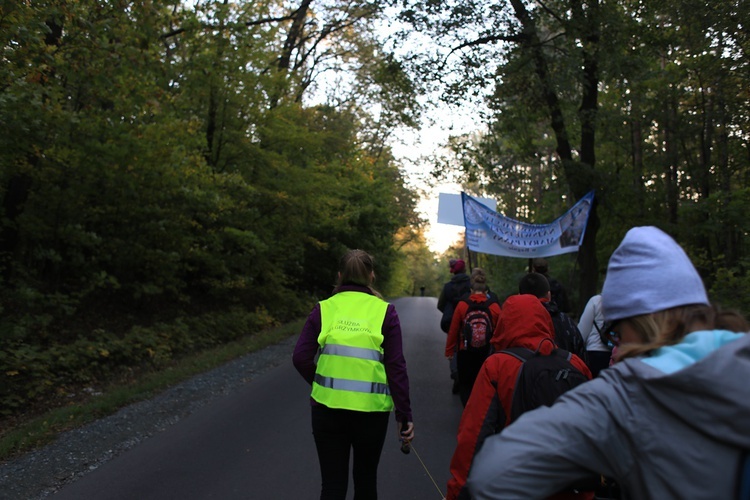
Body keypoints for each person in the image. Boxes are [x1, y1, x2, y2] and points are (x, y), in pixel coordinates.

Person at [467, 226, 750, 499]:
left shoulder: (628, 394)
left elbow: (491, 474)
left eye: (614, 333)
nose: (615, 343)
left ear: (638, 321)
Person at [292, 249, 414, 500]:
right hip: (371, 413)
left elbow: (300, 358)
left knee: (333, 486)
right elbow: (396, 367)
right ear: (371, 276)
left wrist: (321, 382)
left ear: (339, 276)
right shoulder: (385, 312)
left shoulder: (324, 309)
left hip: (327, 410)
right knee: (366, 481)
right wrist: (404, 415)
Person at [446, 293, 592, 499]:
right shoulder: (575, 363)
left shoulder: (497, 366)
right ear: (545, 321)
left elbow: (473, 436)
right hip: (570, 485)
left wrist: (457, 492)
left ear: (505, 323)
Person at [444, 270, 502, 406]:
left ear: (471, 289)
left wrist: (449, 350)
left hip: (465, 350)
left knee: (465, 383)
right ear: (486, 289)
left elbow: (453, 329)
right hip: (486, 351)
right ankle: (481, 410)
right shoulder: (494, 306)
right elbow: (501, 329)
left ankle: (468, 408)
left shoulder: (463, 305)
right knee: (483, 382)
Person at [519, 272, 587, 361]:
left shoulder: (515, 321)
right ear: (549, 295)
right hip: (565, 369)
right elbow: (581, 354)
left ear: (519, 296)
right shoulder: (565, 322)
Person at [438, 258, 472, 393]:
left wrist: (448, 312)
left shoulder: (448, 287)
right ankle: (467, 374)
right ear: (464, 270)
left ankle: (455, 372)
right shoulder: (471, 285)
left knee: (453, 347)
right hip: (468, 319)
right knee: (467, 346)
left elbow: (440, 304)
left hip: (451, 321)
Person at [577, 293, 613, 377]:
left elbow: (581, 333)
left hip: (594, 353)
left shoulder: (596, 301)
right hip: (615, 355)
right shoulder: (625, 303)